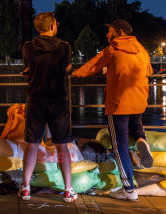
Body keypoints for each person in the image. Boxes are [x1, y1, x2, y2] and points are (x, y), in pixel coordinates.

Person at [72, 19, 153, 201]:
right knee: (135, 126)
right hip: (139, 101)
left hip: (118, 105)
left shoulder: (113, 49)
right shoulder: (141, 49)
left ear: (119, 32)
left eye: (110, 31)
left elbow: (90, 67)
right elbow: (148, 70)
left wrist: (75, 72)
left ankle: (129, 189)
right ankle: (142, 139)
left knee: (120, 146)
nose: (107, 35)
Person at [18, 12, 76, 202]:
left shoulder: (28, 46)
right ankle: (68, 190)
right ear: (52, 26)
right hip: (58, 101)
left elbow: (29, 67)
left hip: (35, 100)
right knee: (62, 146)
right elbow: (66, 66)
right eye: (56, 23)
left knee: (32, 145)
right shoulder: (64, 47)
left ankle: (25, 188)